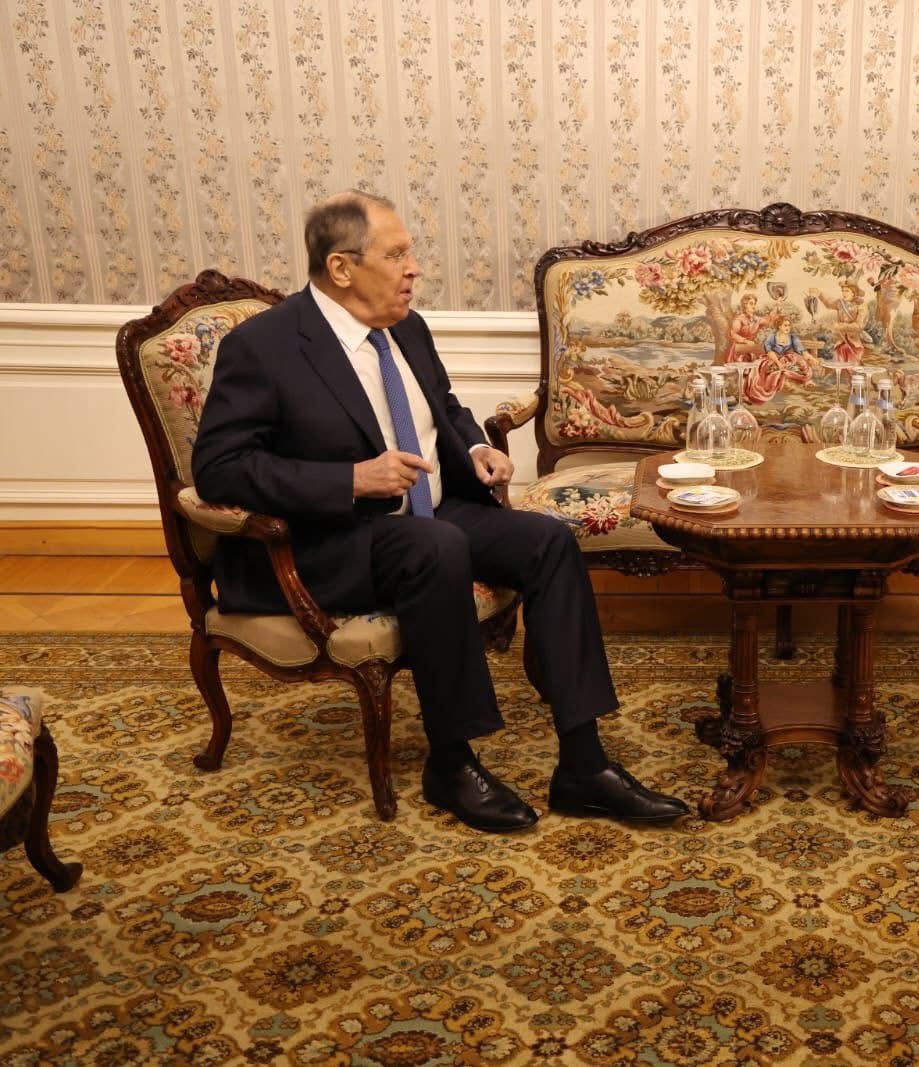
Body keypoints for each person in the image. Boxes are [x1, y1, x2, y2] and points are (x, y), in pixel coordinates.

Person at [192, 190, 689, 833]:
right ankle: (451, 763)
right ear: (341, 268)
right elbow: (221, 467)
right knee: (438, 549)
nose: (414, 269)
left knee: (548, 542)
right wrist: (349, 479)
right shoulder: (265, 346)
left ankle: (584, 765)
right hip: (327, 539)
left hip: (426, 513)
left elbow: (443, 407)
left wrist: (476, 448)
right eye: (396, 255)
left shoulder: (407, 327)